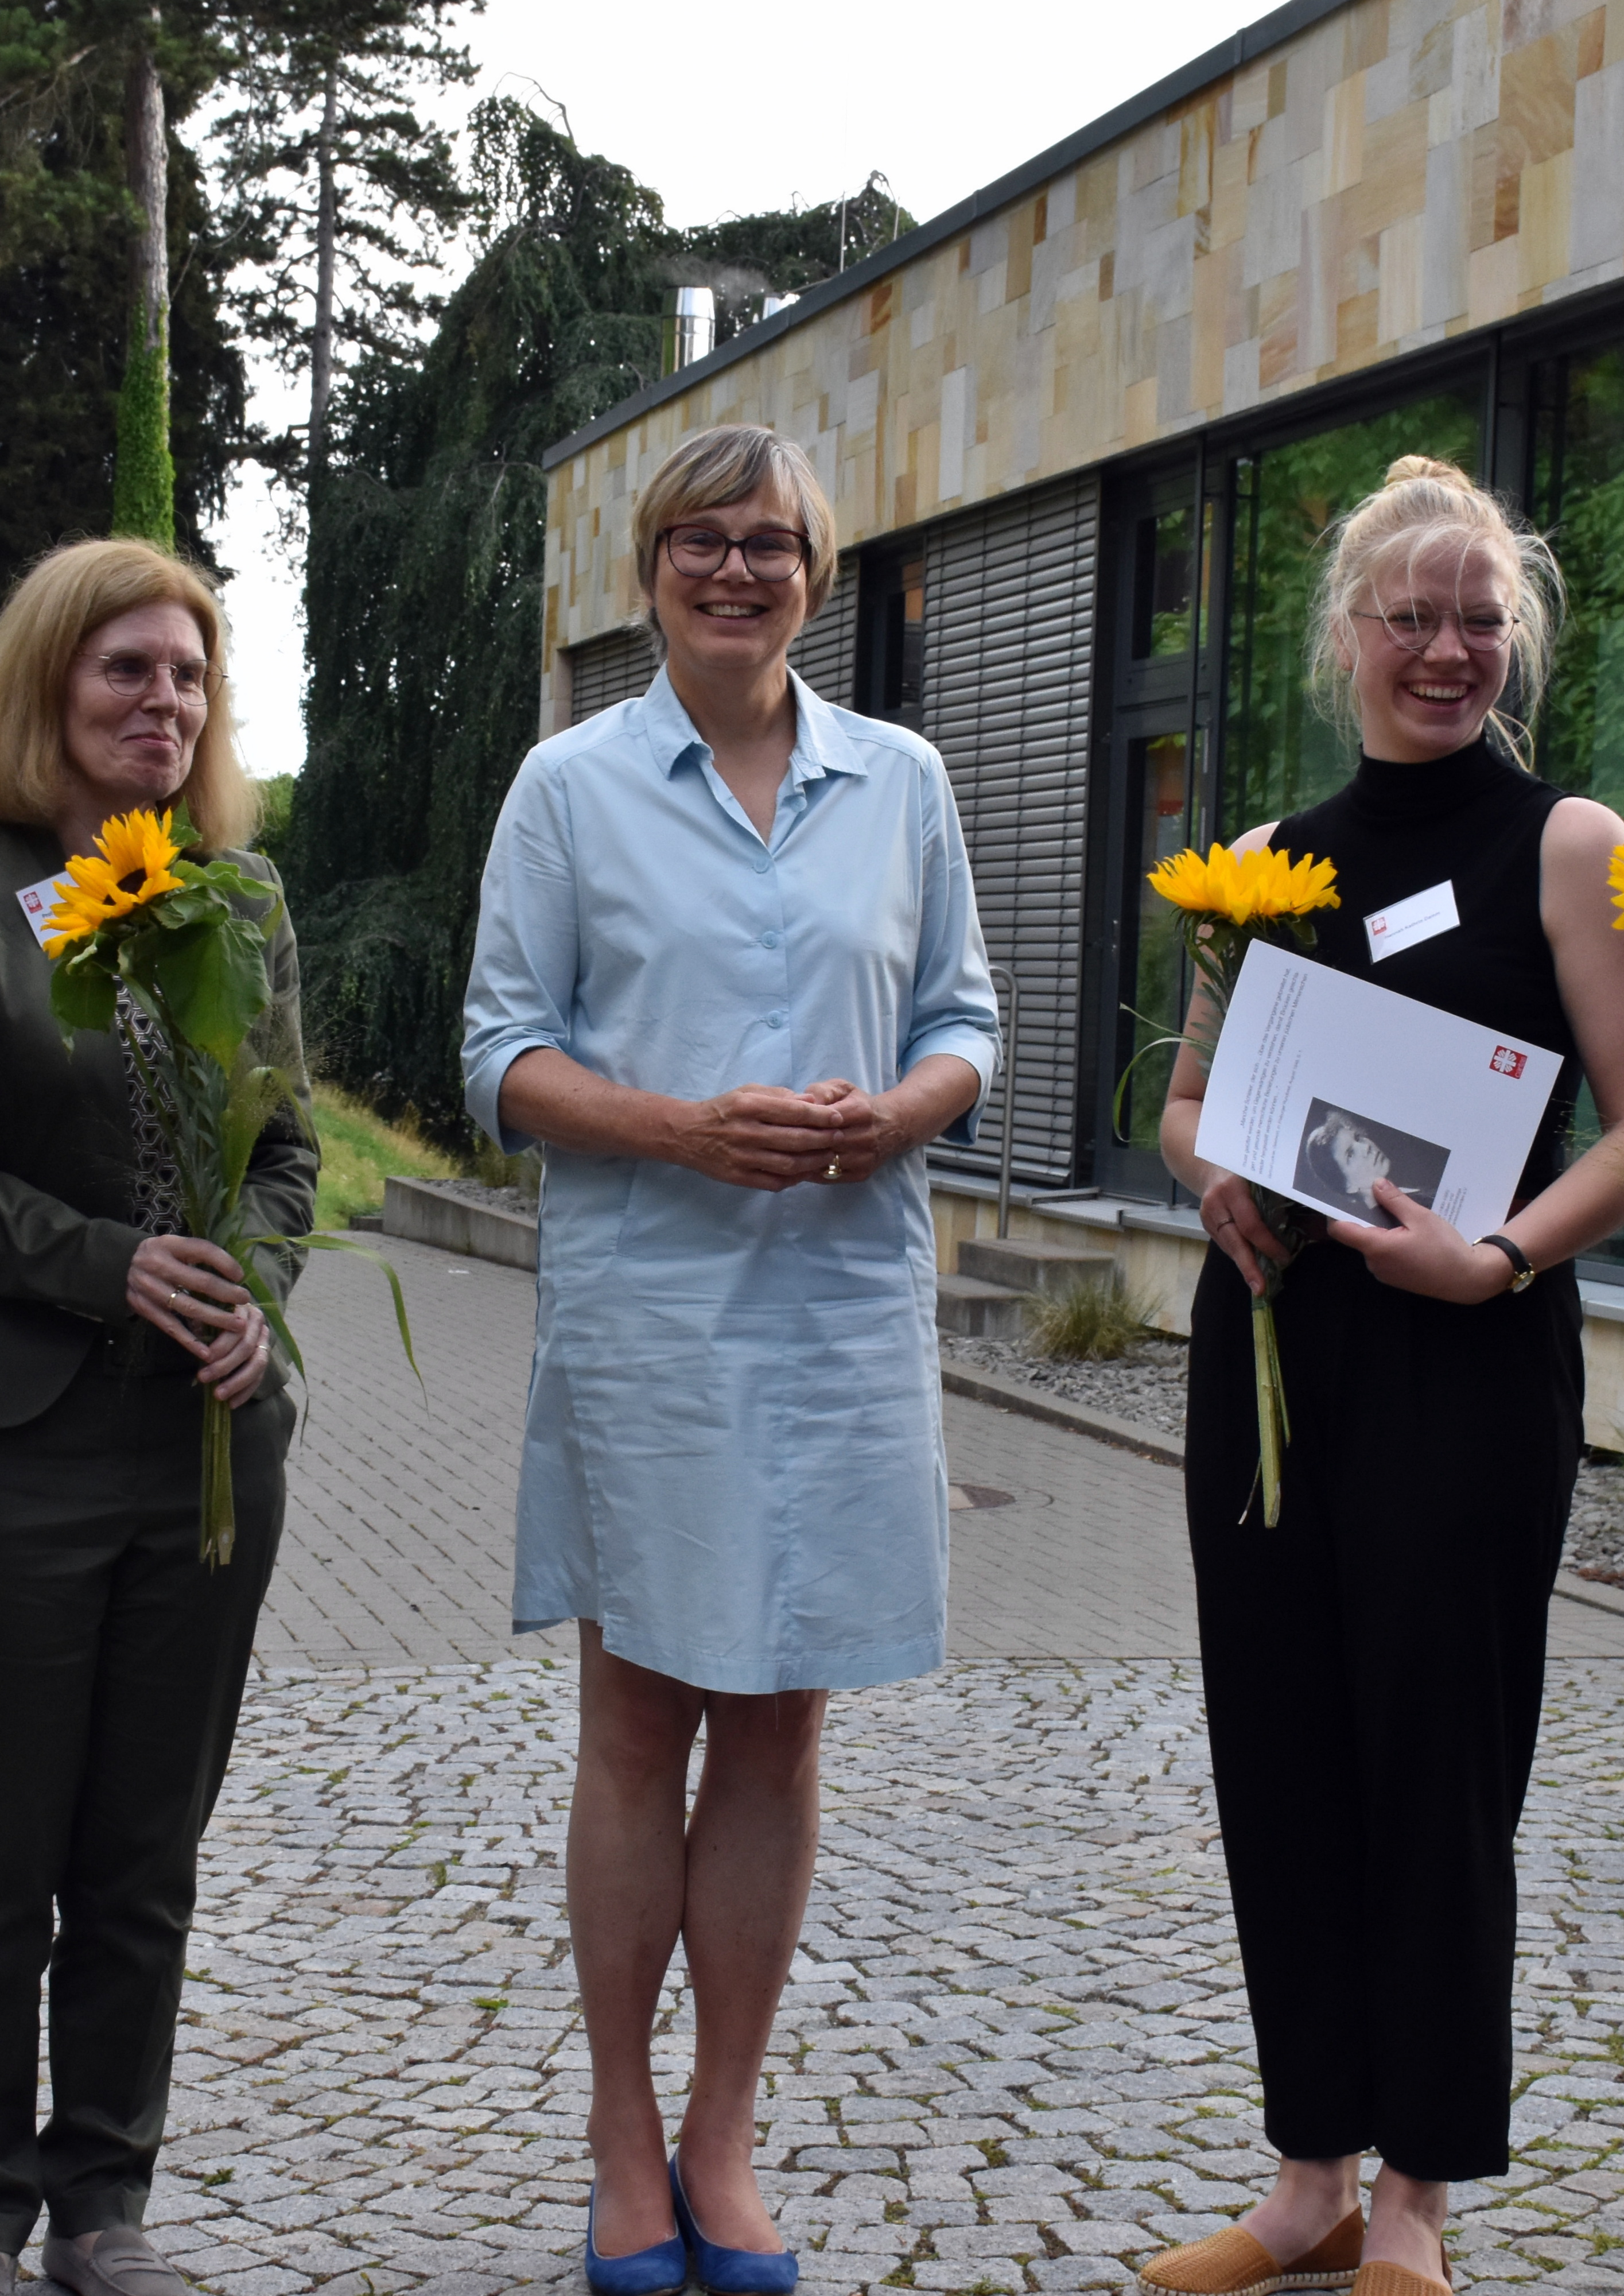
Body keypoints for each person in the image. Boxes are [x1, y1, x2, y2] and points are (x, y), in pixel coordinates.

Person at [459, 422, 999, 2296]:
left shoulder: (900, 778)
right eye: (702, 539)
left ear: (816, 573)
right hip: (655, 1319)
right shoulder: (569, 787)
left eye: (771, 542)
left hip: (846, 1308)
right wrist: (684, 1127)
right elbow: (500, 1058)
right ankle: (622, 2136)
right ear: (650, 570)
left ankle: (725, 2131)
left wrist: (900, 1115)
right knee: (638, 1727)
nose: (737, 570)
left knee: (781, 1732)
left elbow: (967, 1022)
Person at [1144, 456, 1624, 2296]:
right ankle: (1306, 2177)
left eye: (1480, 621)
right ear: (1349, 639)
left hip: (1466, 1361)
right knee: (1280, 1758)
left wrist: (1509, 1252)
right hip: (1279, 1363)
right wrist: (1202, 1167)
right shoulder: (1274, 861)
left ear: (1514, 641)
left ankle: (1418, 2203)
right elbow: (1188, 1099)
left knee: (1438, 1776)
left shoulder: (1569, 847)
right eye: (1413, 616)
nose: (1445, 650)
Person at [0, 539, 311, 2296]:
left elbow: (283, 1149)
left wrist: (240, 1290)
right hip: (8, 1448)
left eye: (189, 677)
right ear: (49, 686)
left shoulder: (242, 900)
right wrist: (109, 1265)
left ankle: (102, 2209)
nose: (163, 704)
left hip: (207, 1450)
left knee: (141, 1856)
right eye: (128, 671)